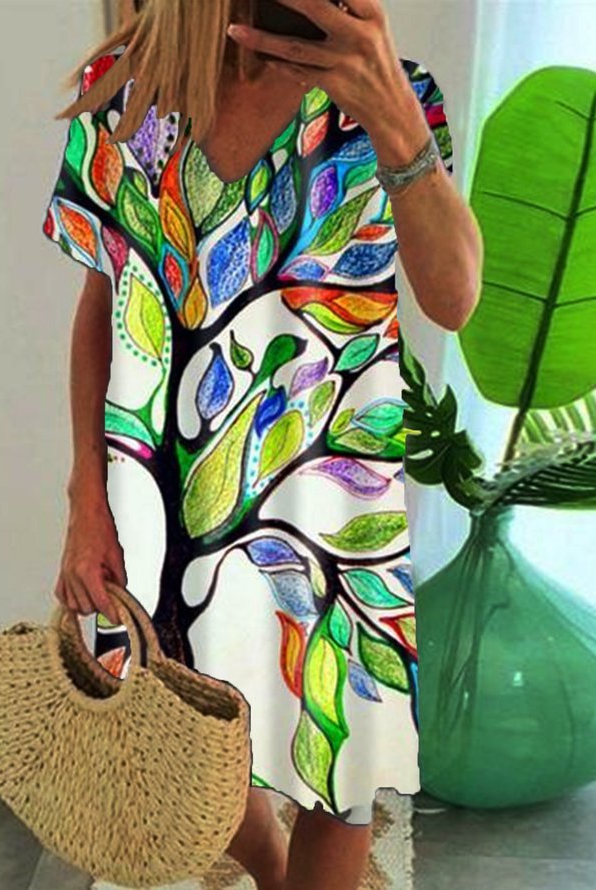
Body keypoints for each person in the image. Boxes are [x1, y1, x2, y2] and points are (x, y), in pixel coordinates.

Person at [41, 1, 482, 888]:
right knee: (184, 743)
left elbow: (454, 298)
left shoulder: (387, 94)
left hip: (327, 511)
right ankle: (273, 869)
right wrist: (85, 497)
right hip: (159, 498)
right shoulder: (125, 94)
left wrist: (394, 121)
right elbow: (103, 304)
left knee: (335, 769)